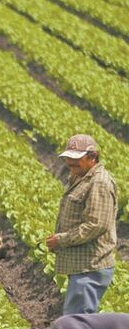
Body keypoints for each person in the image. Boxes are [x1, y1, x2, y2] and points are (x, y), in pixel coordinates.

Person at [45, 134, 118, 315]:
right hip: (81, 266)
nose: (70, 162)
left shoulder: (99, 182)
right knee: (77, 322)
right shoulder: (80, 176)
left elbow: (96, 225)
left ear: (92, 157)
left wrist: (62, 240)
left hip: (91, 267)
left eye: (76, 158)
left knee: (77, 324)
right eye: (69, 157)